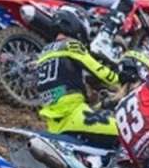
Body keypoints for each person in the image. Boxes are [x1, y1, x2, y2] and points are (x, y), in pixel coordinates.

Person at [35, 9, 122, 147]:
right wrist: (121, 80)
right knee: (123, 131)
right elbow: (97, 70)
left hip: (53, 118)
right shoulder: (71, 44)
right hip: (73, 111)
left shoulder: (44, 52)